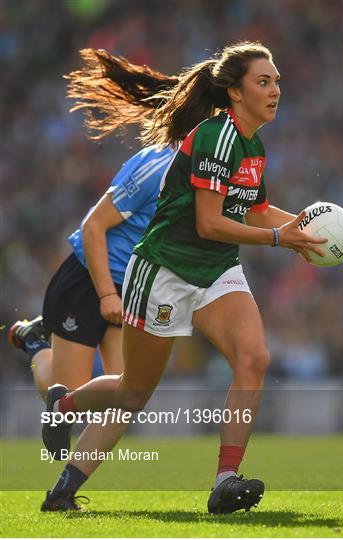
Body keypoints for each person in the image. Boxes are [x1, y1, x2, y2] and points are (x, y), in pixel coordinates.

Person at [42, 41, 332, 514]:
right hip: (165, 271)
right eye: (264, 81)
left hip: (215, 268)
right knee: (133, 390)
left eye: (277, 80)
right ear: (235, 93)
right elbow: (209, 224)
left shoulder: (252, 145)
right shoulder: (217, 137)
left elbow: (255, 213)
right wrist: (283, 239)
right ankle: (64, 431)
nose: (276, 89)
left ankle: (225, 481)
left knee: (254, 358)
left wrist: (313, 228)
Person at [8, 49, 179, 511]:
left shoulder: (206, 172)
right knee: (62, 390)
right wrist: (106, 292)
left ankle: (64, 492)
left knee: (124, 395)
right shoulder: (156, 163)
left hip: (133, 291)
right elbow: (92, 227)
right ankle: (33, 342)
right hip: (89, 282)